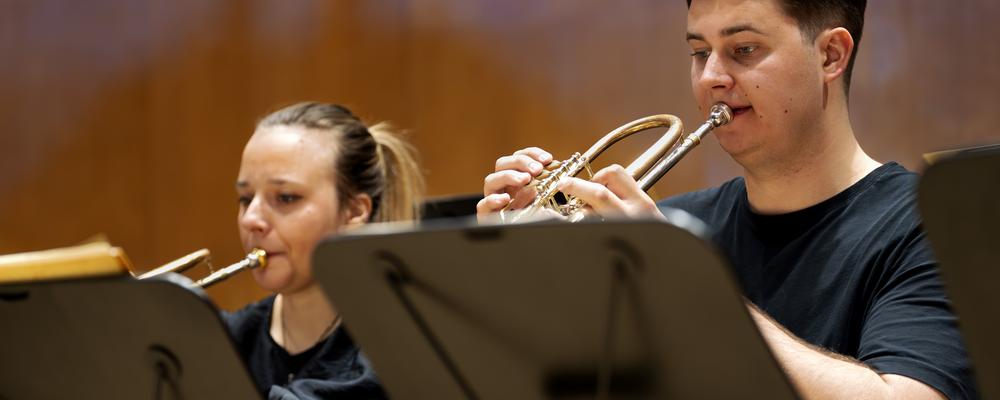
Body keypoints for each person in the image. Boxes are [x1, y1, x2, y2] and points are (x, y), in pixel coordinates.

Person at [477, 1, 977, 399]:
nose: (711, 77)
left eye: (743, 50)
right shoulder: (676, 225)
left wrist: (686, 286)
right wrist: (516, 274)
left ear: (830, 55)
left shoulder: (934, 225)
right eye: (699, 51)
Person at [224, 102, 424, 399]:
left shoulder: (399, 353)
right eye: (245, 198)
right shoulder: (227, 342)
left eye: (286, 197)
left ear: (354, 211)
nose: (251, 219)